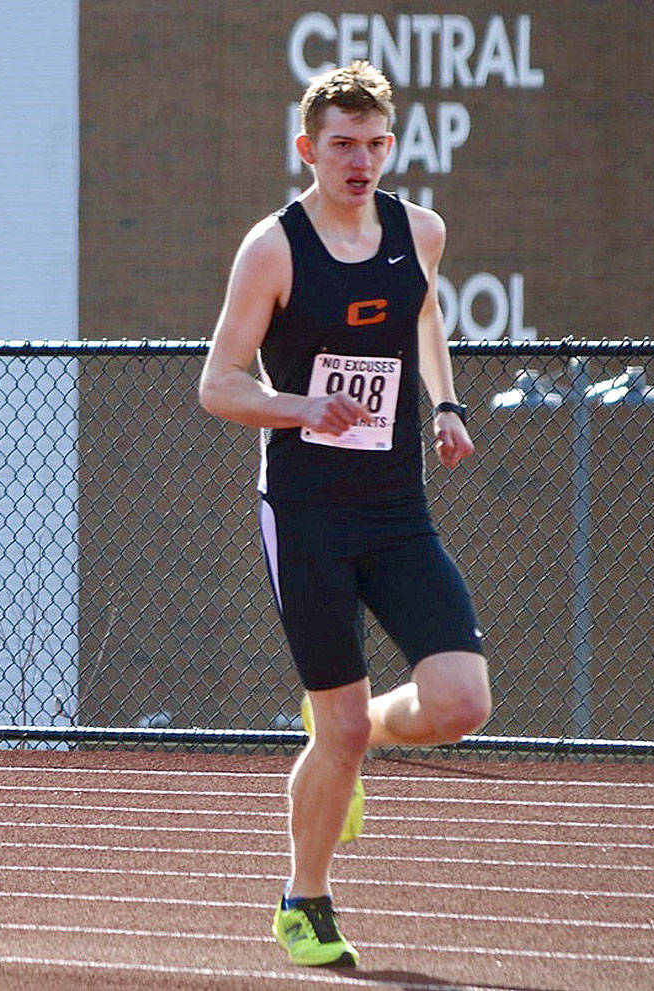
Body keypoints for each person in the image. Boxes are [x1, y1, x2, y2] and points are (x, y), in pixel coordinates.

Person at [198, 61, 492, 969]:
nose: (358, 161)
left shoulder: (421, 231)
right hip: (308, 511)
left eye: (373, 145)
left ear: (390, 147)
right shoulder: (274, 248)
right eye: (341, 146)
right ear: (308, 149)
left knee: (460, 701)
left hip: (397, 506)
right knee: (342, 726)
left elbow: (422, 317)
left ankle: (347, 738)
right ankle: (305, 900)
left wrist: (447, 405)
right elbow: (217, 383)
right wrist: (301, 408)